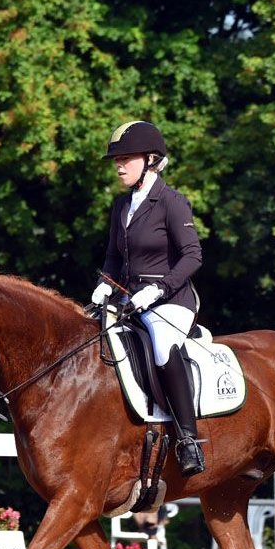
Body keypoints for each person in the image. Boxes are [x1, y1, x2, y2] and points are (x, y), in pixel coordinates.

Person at [89, 120, 205, 476]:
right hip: (129, 300)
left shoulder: (171, 202)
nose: (119, 166)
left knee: (161, 345)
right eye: (117, 160)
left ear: (152, 159)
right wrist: (105, 284)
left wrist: (160, 289)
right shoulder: (122, 206)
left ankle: (189, 440)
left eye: (126, 158)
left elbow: (193, 256)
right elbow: (113, 256)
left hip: (172, 300)